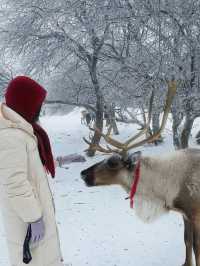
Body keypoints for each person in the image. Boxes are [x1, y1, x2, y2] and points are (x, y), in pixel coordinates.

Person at [0, 76, 63, 266]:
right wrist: (34, 218)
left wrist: (59, 161)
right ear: (25, 103)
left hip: (33, 221)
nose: (39, 110)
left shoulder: (22, 131)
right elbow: (15, 183)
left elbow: (30, 167)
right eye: (37, 104)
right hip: (28, 224)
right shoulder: (11, 136)